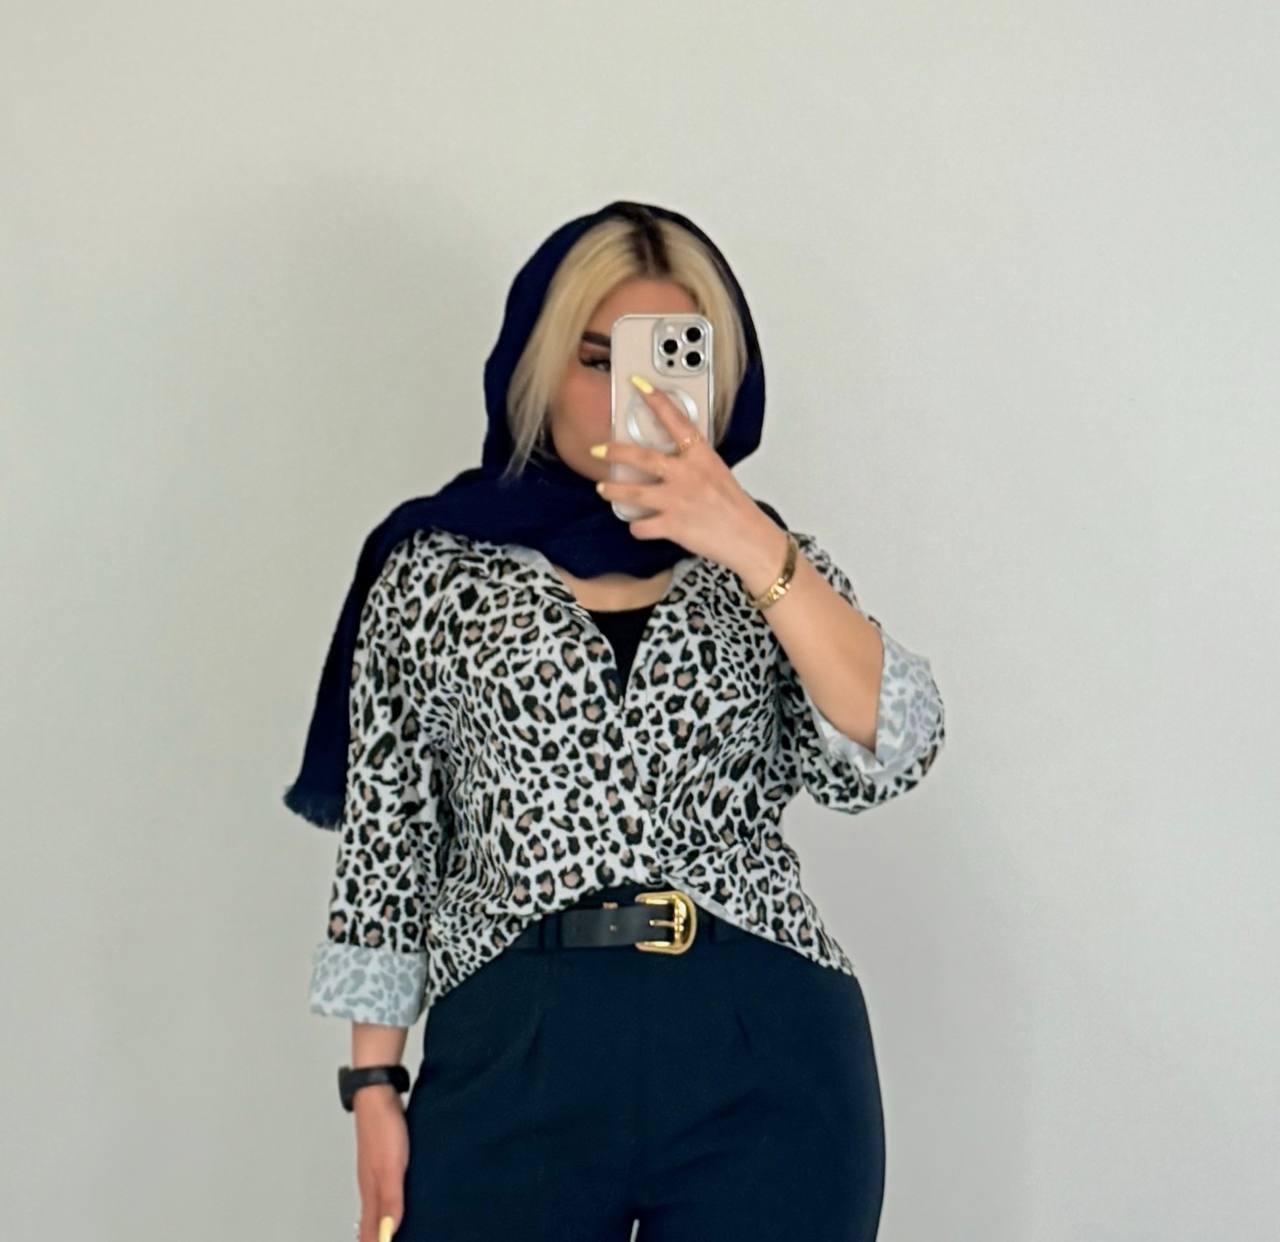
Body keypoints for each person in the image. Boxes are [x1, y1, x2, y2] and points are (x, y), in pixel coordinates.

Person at [283, 200, 946, 1242]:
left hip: (764, 1047)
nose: (631, 394)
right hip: (512, 1045)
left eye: (670, 360)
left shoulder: (768, 566)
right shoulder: (434, 571)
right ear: (537, 367)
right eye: (596, 359)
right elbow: (388, 840)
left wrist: (748, 543)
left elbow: (894, 746)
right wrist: (372, 1085)